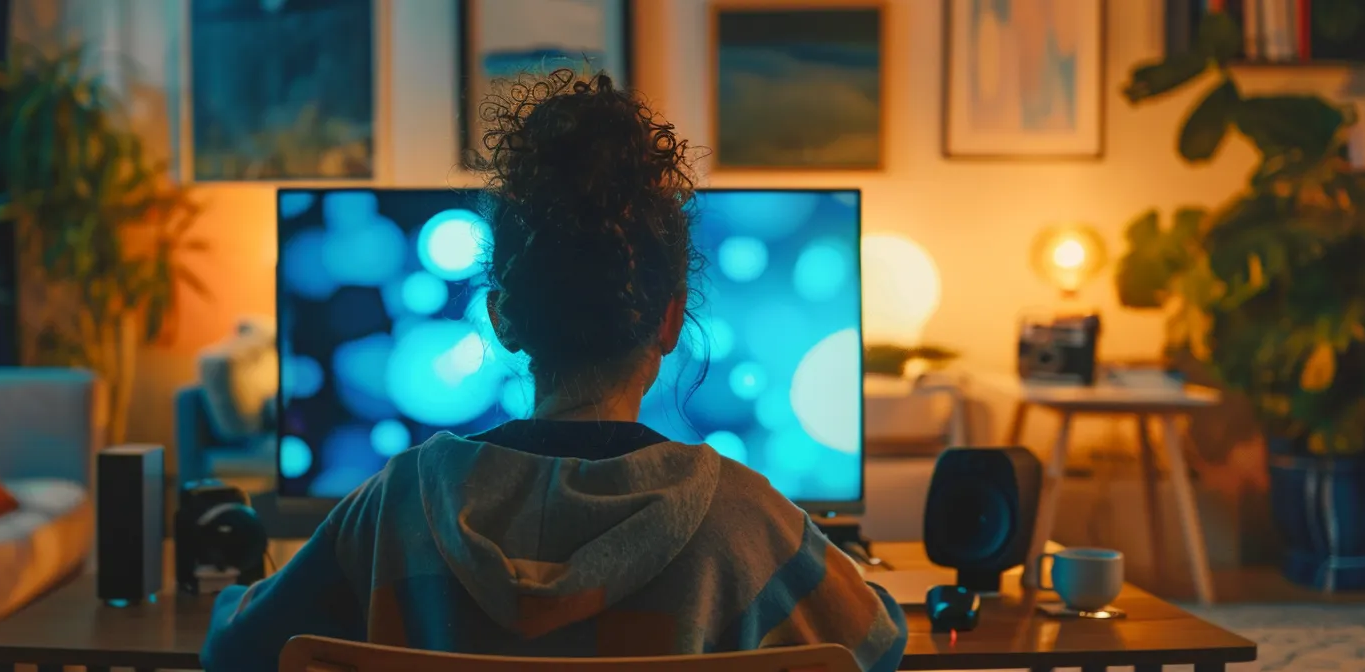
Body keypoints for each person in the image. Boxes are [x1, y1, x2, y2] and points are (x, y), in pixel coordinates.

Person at [201, 69, 906, 672]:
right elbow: (877, 644)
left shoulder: (396, 505)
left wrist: (229, 591)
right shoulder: (747, 521)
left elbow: (236, 652)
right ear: (669, 320)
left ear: (503, 317)